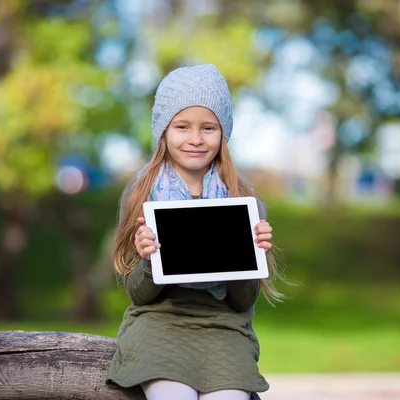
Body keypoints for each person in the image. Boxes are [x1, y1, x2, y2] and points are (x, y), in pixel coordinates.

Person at [106, 63, 285, 400]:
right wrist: (147, 260)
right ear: (163, 130)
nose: (195, 139)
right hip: (159, 323)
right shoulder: (143, 194)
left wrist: (252, 254)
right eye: (182, 126)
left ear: (223, 133)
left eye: (208, 128)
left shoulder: (242, 198)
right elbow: (138, 295)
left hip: (224, 327)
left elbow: (242, 300)